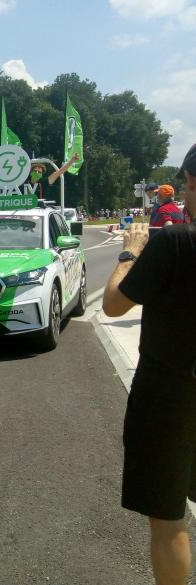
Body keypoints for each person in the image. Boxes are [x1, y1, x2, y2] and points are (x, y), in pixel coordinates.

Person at [102, 143, 196, 585]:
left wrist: (130, 251)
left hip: (170, 397)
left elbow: (113, 304)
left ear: (191, 183)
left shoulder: (175, 243)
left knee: (168, 517)